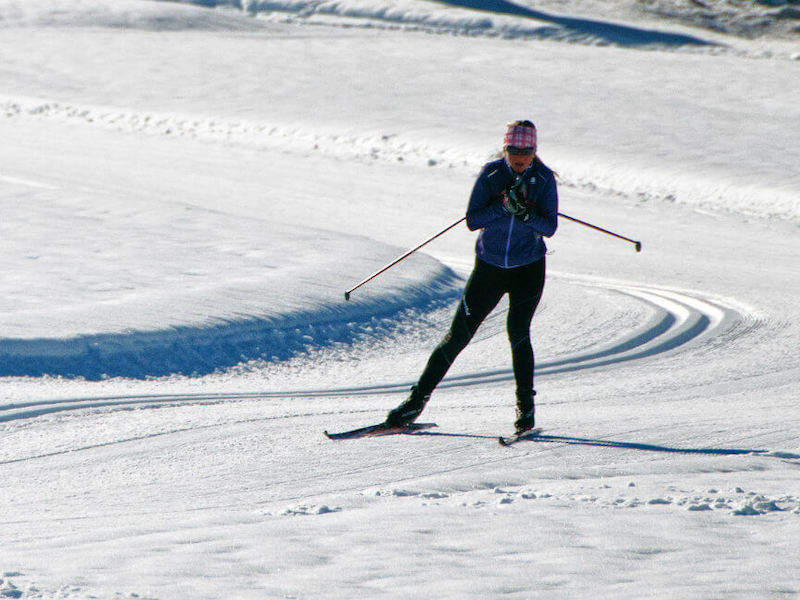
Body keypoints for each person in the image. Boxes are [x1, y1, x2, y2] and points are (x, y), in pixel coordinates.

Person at [386, 120, 558, 433]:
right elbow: (473, 220)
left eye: (526, 150)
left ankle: (526, 409)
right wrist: (503, 205)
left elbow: (549, 227)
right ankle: (414, 403)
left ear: (535, 150)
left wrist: (525, 213)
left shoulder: (544, 179)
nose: (520, 156)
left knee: (518, 332)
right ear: (505, 148)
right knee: (458, 336)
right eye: (514, 149)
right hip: (489, 268)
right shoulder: (492, 174)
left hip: (528, 269)